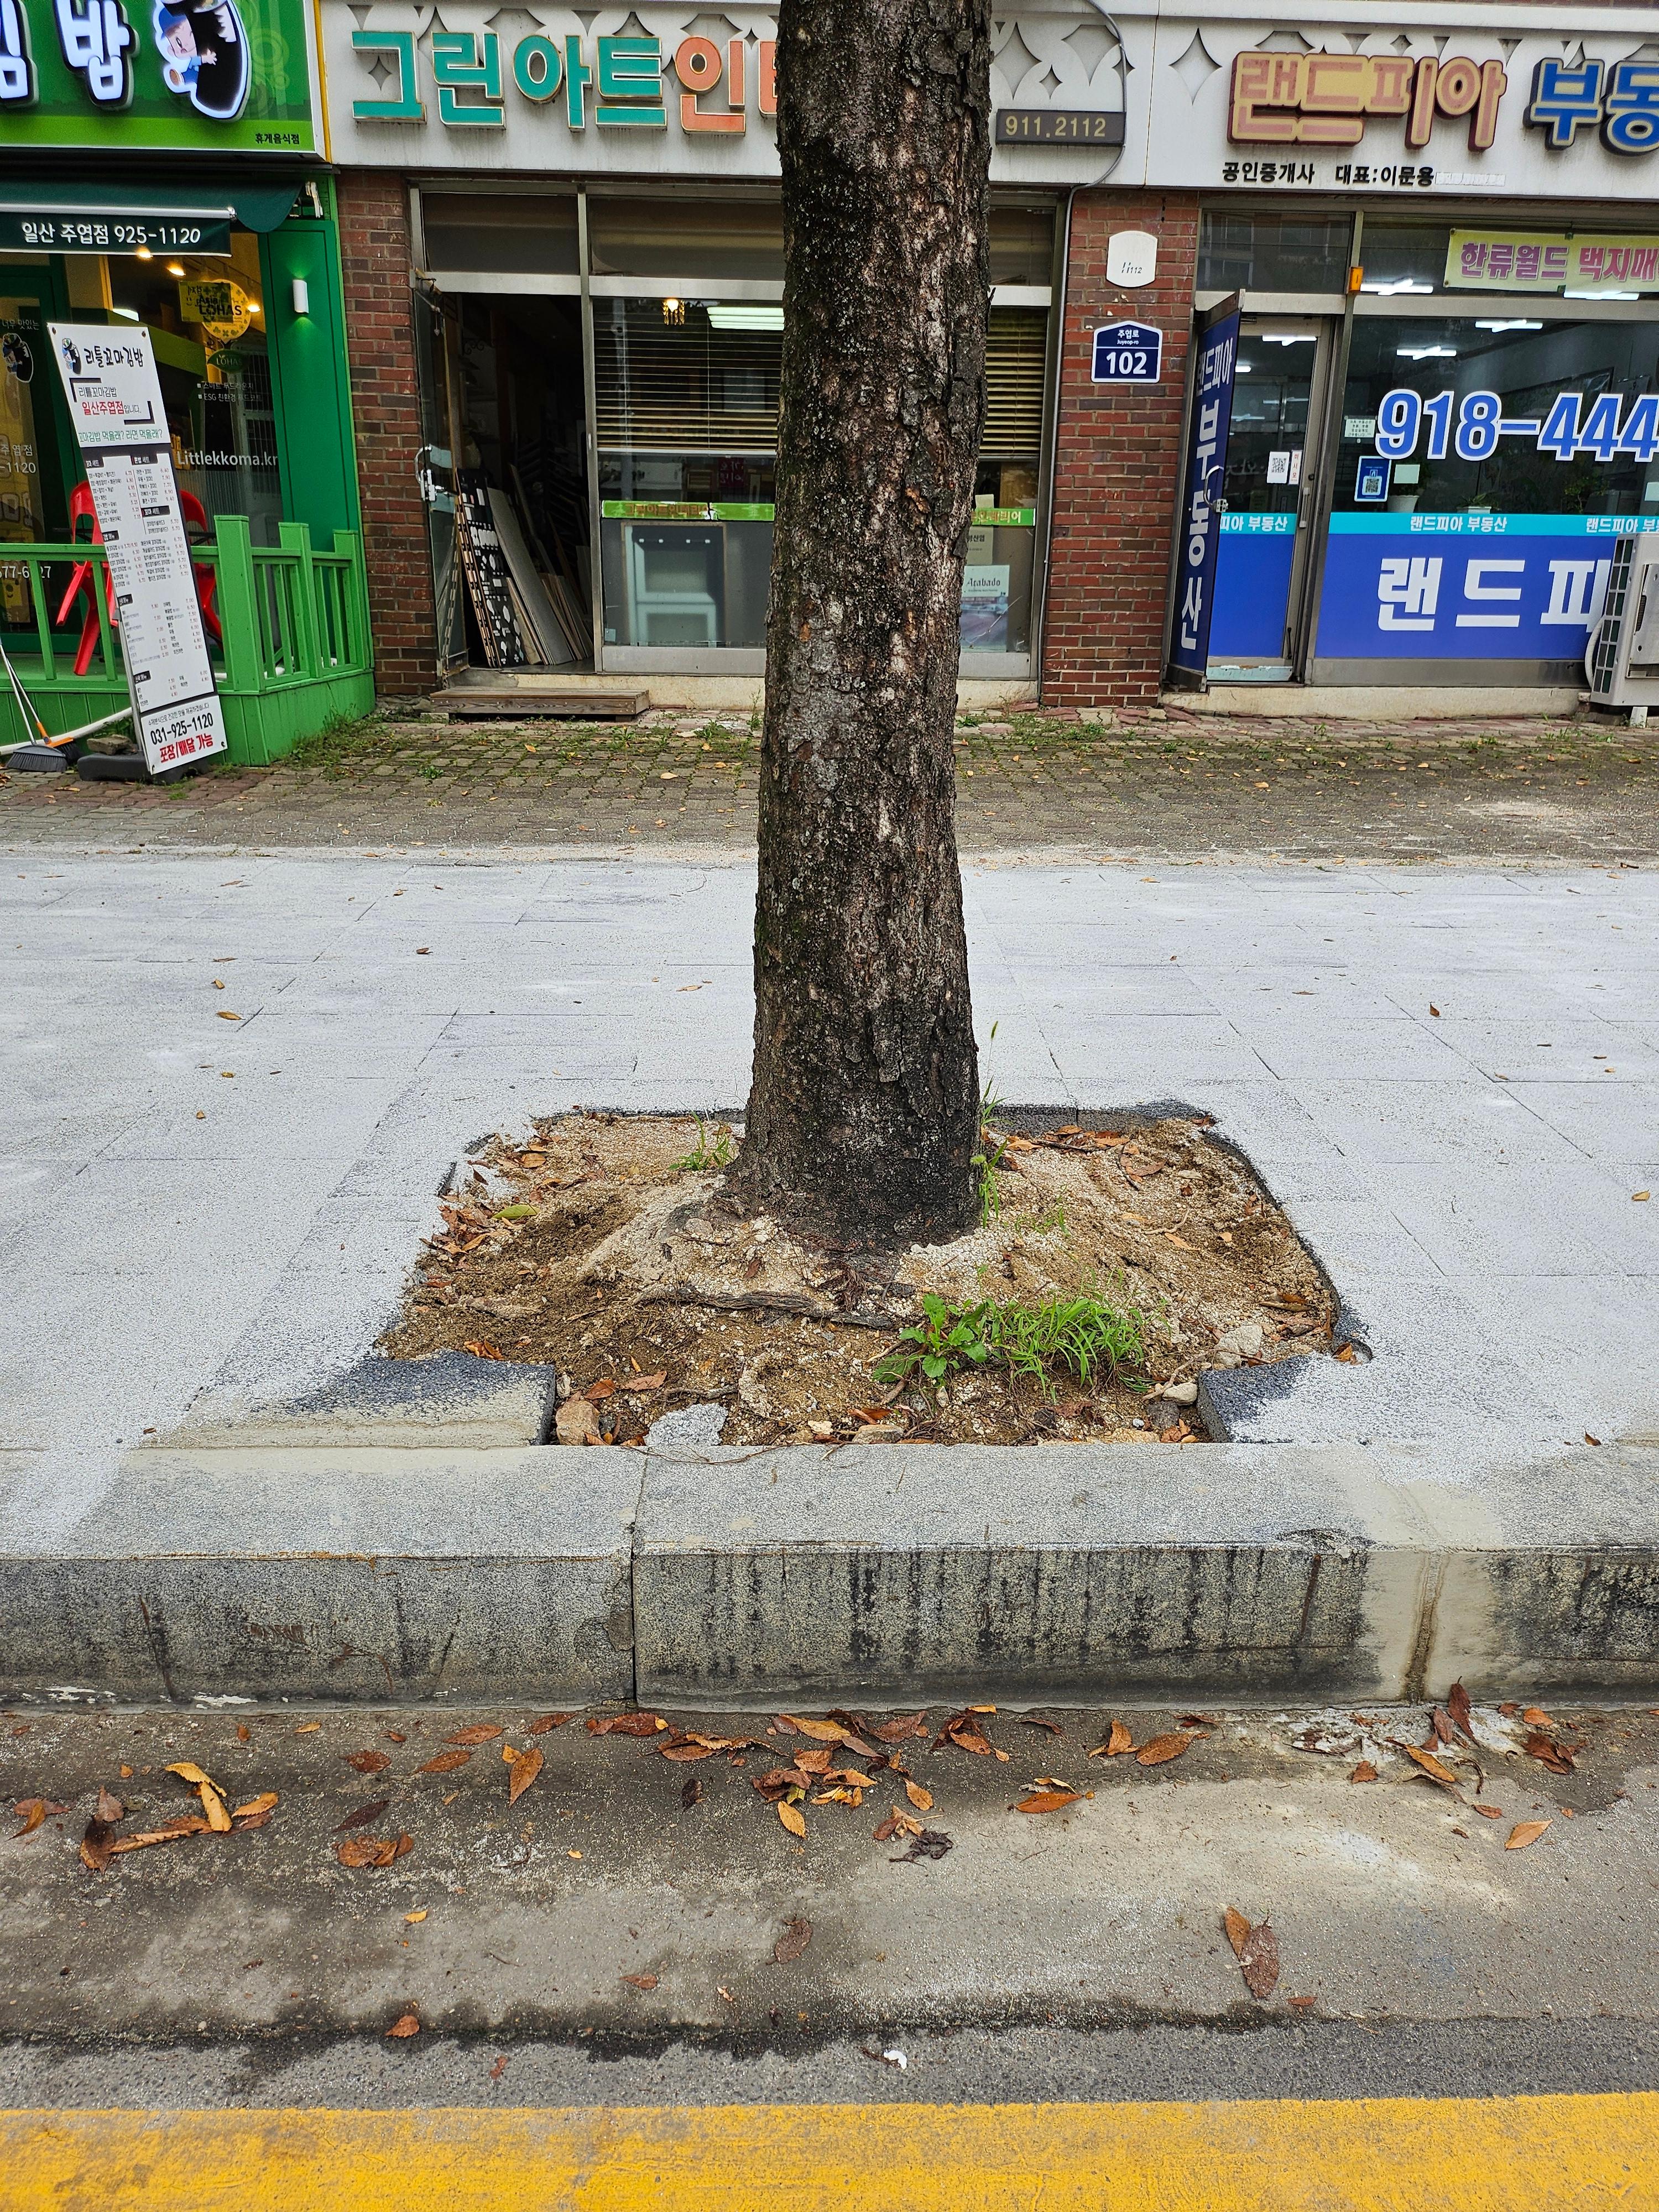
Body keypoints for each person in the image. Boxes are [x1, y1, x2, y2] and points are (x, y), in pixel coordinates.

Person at [152, 0, 249, 122]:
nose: (186, 45)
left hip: (222, 91)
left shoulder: (214, 20)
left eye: (192, 34)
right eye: (178, 42)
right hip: (207, 91)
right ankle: (182, 79)